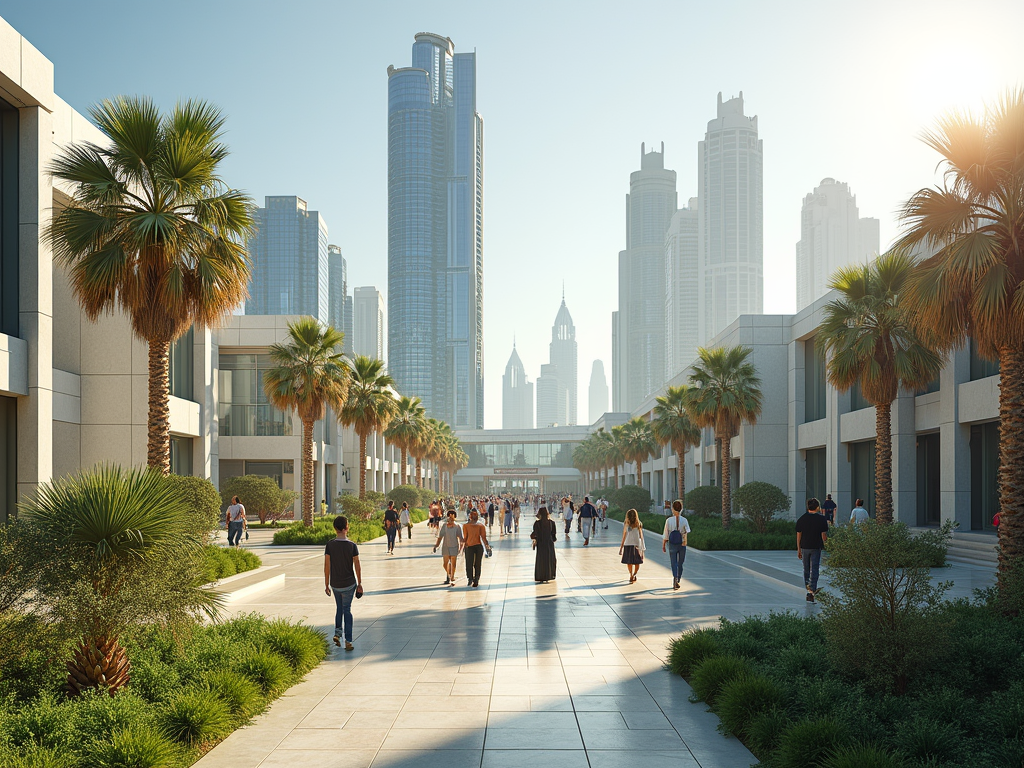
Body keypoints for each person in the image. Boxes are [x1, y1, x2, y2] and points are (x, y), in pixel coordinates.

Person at [324, 515, 362, 652]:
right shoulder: (352, 546)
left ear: (335, 528)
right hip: (349, 584)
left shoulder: (330, 545)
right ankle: (348, 641)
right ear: (347, 527)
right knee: (347, 610)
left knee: (339, 608)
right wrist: (360, 583)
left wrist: (326, 584)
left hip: (335, 584)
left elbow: (327, 565)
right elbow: (357, 565)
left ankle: (337, 633)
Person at [796, 498, 829, 602]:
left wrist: (798, 549)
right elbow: (824, 536)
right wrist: (828, 546)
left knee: (806, 568)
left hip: (805, 547)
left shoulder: (802, 519)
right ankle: (812, 590)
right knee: (814, 569)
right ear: (818, 507)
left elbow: (798, 535)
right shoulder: (822, 519)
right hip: (816, 547)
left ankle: (808, 588)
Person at [662, 499, 690, 590]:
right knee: (680, 563)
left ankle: (674, 577)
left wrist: (664, 545)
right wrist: (684, 541)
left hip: (672, 543)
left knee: (673, 562)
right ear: (681, 509)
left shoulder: (669, 520)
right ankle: (678, 579)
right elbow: (687, 532)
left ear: (672, 509)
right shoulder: (684, 520)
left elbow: (666, 534)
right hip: (682, 544)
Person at [433, 511, 465, 586]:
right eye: (449, 517)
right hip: (446, 546)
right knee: (445, 564)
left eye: (451, 517)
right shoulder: (444, 526)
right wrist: (436, 545)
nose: (450, 519)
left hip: (454, 546)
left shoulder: (457, 526)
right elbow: (440, 537)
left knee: (453, 563)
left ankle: (452, 577)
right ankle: (449, 574)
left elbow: (460, 538)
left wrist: (461, 547)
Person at [463, 509, 490, 588]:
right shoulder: (480, 526)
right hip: (478, 546)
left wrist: (461, 544)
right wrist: (487, 547)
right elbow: (484, 538)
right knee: (477, 564)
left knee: (469, 563)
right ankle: (476, 578)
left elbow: (465, 537)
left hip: (469, 546)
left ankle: (470, 578)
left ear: (470, 517)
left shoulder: (466, 526)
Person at [619, 508, 646, 583]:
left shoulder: (626, 524)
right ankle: (634, 574)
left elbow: (624, 536)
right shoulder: (639, 524)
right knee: (637, 562)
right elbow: (641, 537)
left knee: (629, 562)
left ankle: (631, 574)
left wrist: (621, 548)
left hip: (627, 544)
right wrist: (643, 549)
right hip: (636, 545)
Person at [532, 506, 558, 583]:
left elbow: (535, 534)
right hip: (549, 544)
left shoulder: (537, 523)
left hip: (540, 543)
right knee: (549, 560)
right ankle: (549, 575)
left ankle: (541, 576)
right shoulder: (552, 523)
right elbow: (554, 536)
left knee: (541, 560)